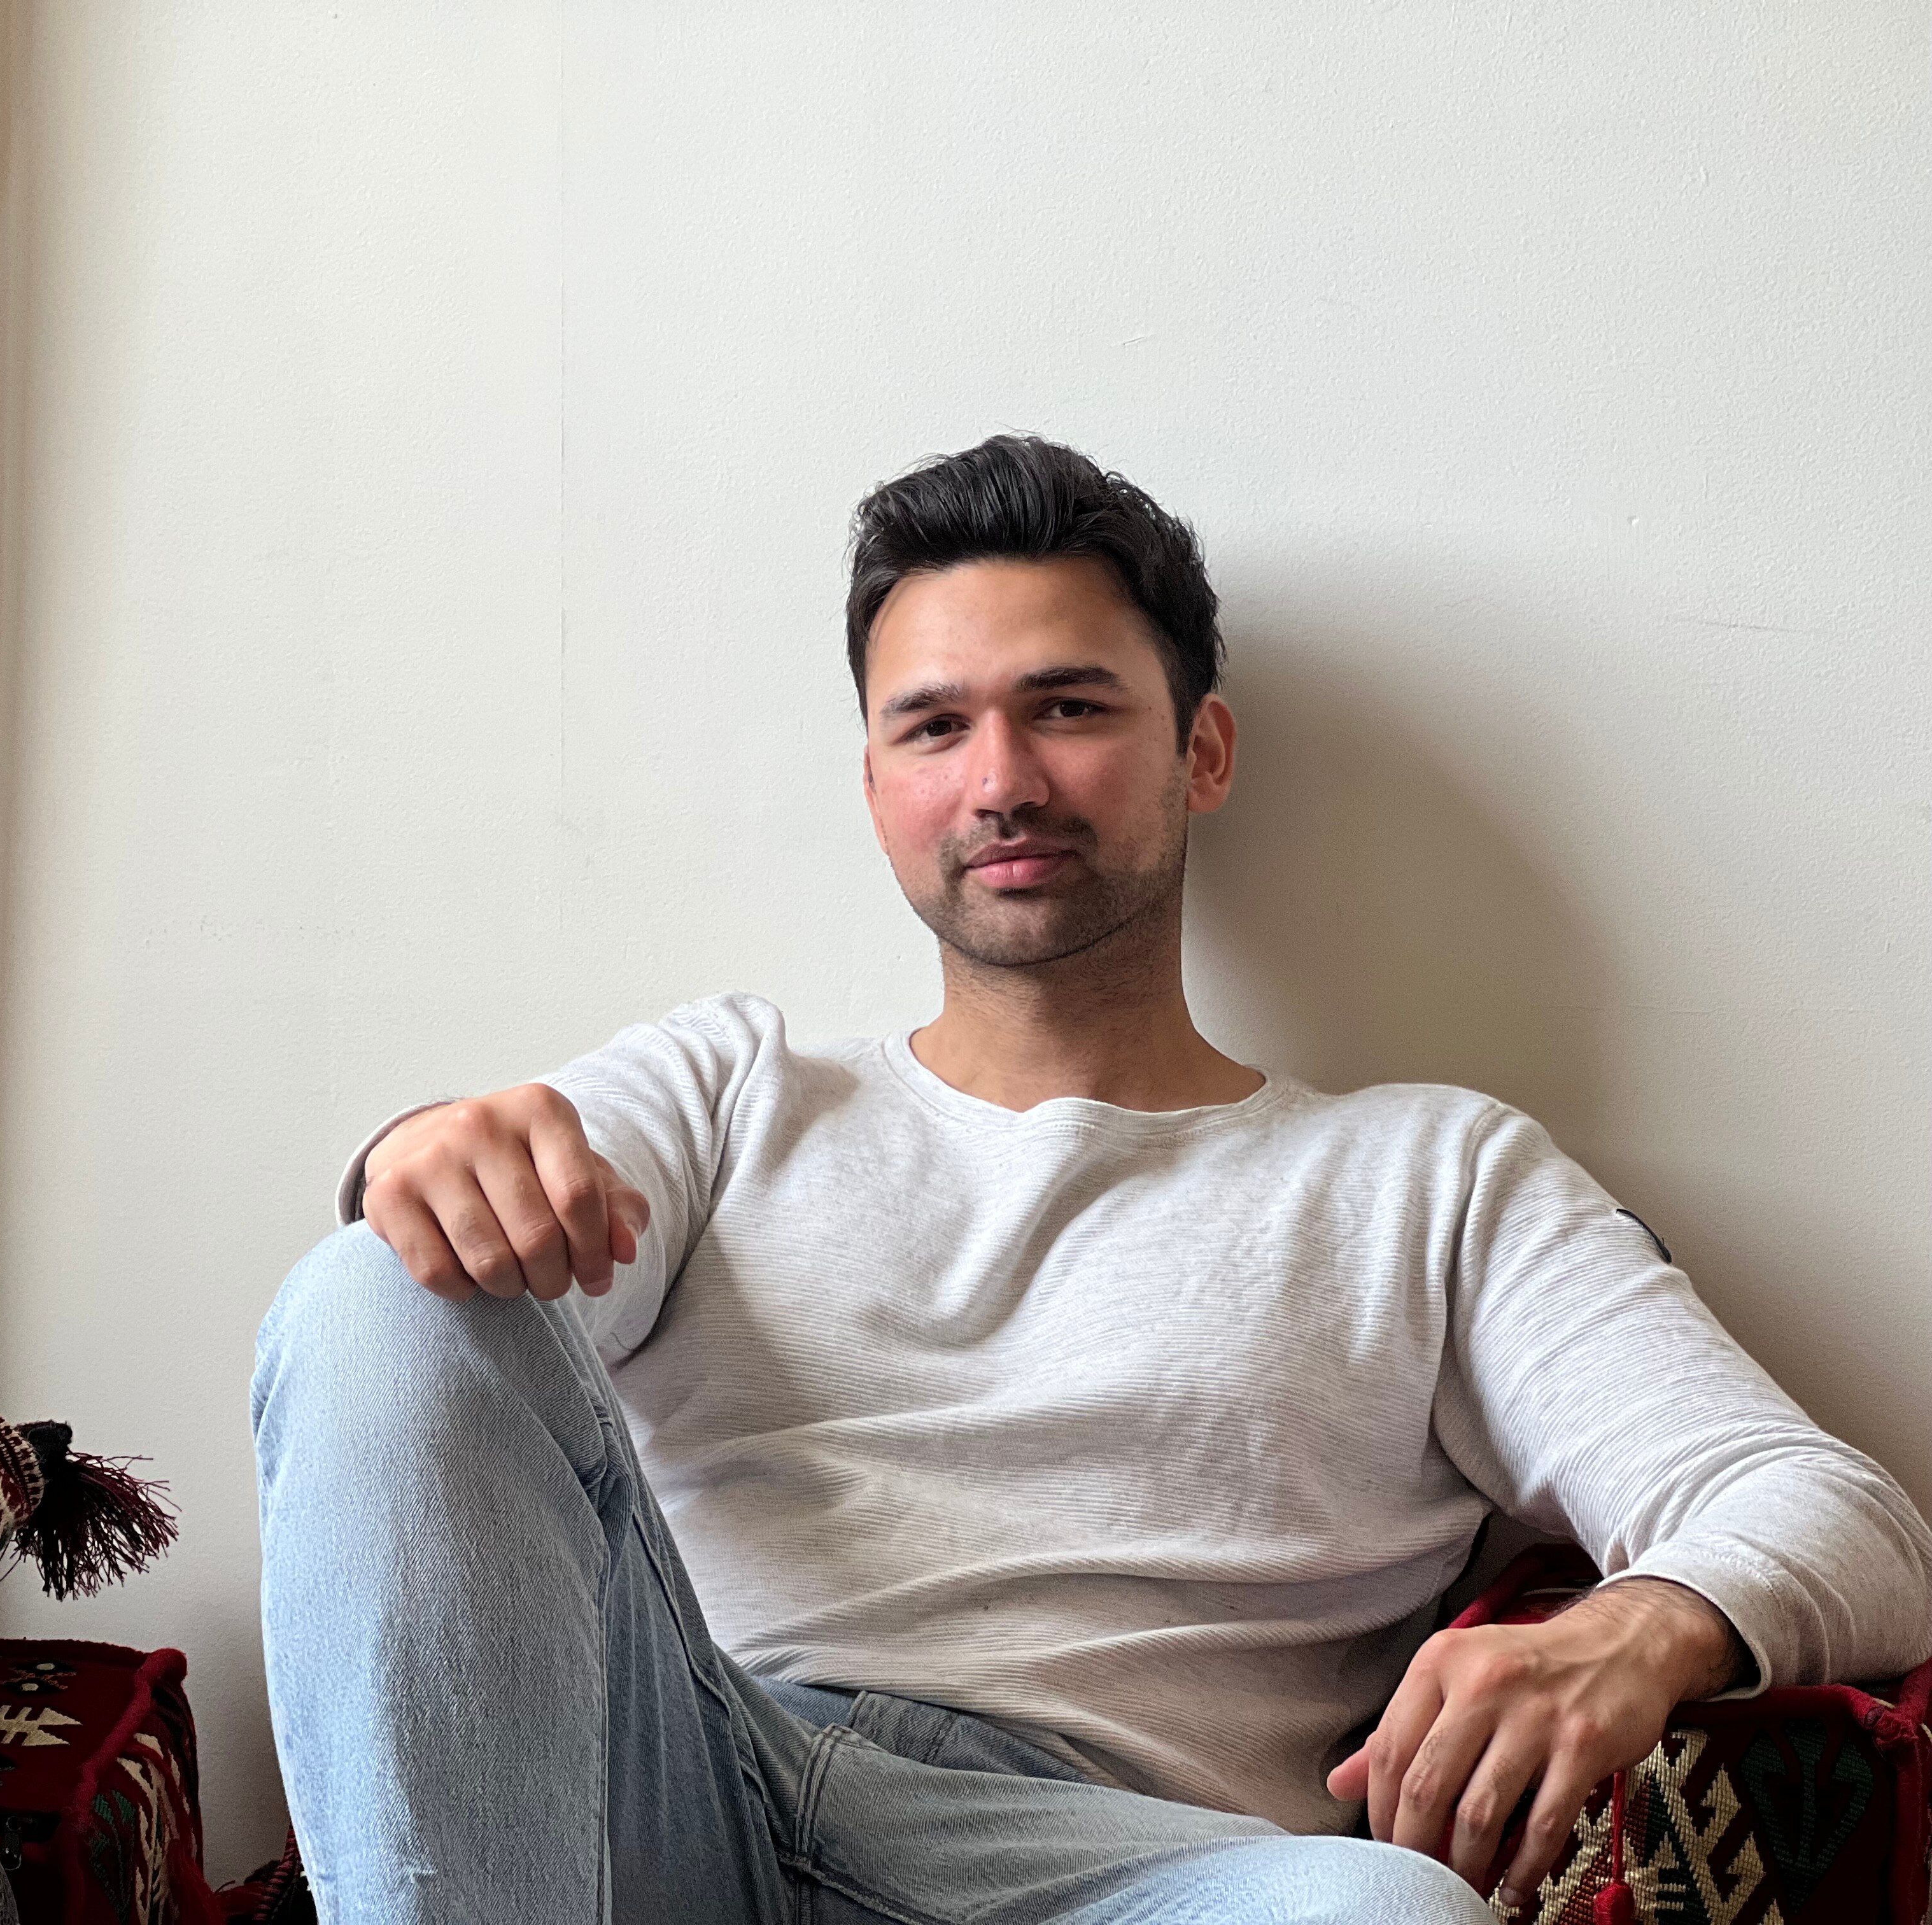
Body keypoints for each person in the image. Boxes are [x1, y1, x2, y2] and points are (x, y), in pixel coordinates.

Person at [249, 434, 1932, 1924]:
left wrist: (1638, 1626)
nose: (1002, 782)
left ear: (1201, 752)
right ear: (877, 787)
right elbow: (459, 1304)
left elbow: (1840, 1515)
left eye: (1068, 707)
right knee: (381, 1286)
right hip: (691, 1789)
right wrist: (432, 1158)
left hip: (1127, 1868)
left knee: (1384, 1920)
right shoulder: (727, 1087)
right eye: (935, 726)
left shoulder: (1432, 1178)